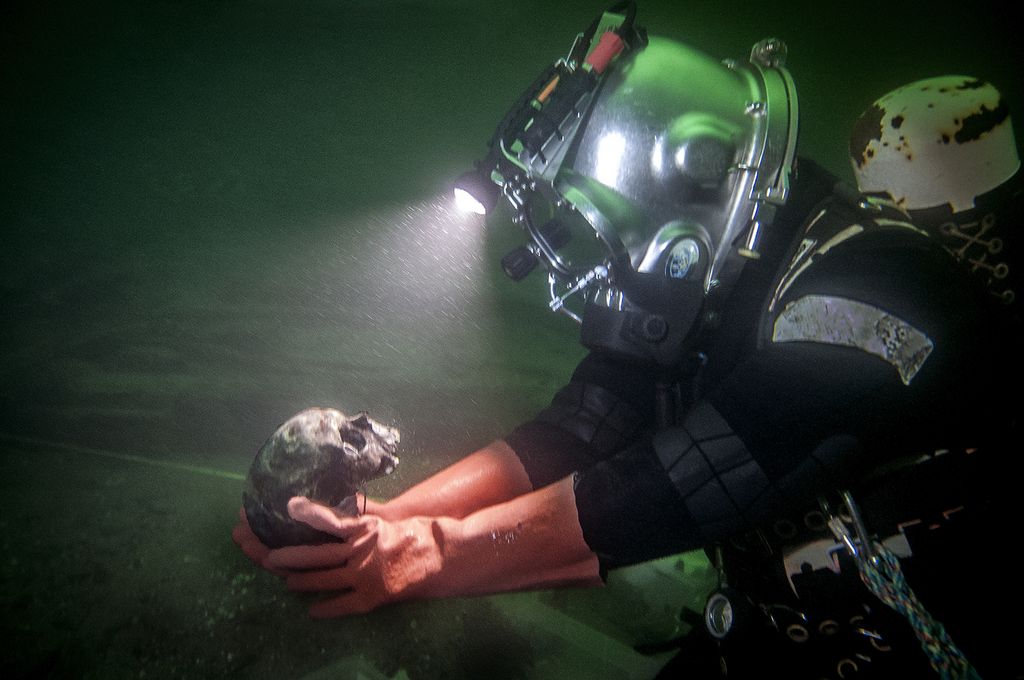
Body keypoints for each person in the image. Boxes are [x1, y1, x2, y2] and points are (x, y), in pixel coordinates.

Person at [234, 3, 1022, 677]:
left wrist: (427, 555)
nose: (607, 264)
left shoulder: (877, 294)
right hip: (773, 633)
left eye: (611, 233)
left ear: (687, 192)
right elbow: (581, 427)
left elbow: (682, 480)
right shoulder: (729, 276)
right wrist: (391, 524)